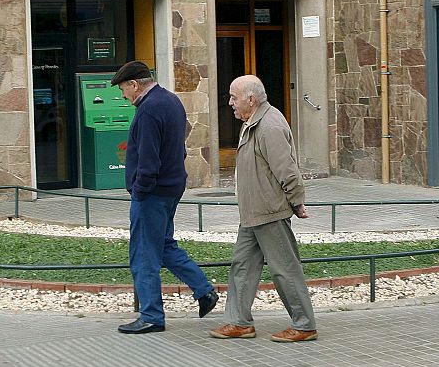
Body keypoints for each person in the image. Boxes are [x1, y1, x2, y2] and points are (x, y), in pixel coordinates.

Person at [111, 61, 218, 334]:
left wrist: (140, 190)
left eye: (124, 90)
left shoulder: (148, 109)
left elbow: (148, 158)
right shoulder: (171, 100)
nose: (124, 97)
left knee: (143, 255)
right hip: (172, 187)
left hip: (152, 193)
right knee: (164, 245)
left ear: (134, 85)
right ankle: (204, 290)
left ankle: (151, 316)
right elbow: (179, 148)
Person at [209, 75, 317, 343]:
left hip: (270, 211)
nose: (230, 103)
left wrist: (297, 201)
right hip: (253, 212)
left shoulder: (268, 125)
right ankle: (239, 322)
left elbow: (287, 169)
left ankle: (304, 325)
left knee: (284, 268)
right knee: (242, 266)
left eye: (234, 97)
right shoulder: (253, 122)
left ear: (251, 99)